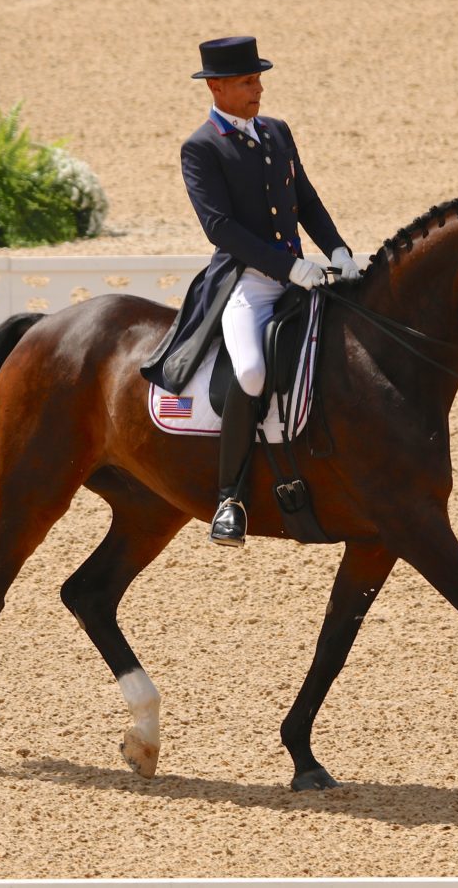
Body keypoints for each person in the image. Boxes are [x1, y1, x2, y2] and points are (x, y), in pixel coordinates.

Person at [141, 36, 359, 546]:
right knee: (253, 370)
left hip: (296, 274)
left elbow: (305, 197)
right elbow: (219, 227)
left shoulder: (277, 132)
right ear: (217, 87)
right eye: (246, 81)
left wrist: (338, 251)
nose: (257, 88)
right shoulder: (201, 147)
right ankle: (230, 499)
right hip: (246, 283)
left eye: (259, 79)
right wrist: (288, 268)